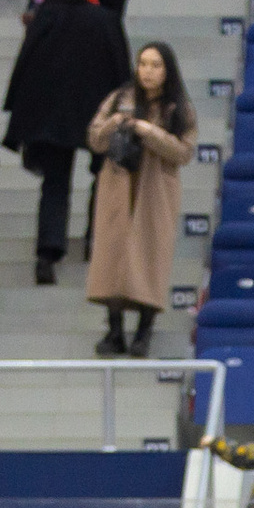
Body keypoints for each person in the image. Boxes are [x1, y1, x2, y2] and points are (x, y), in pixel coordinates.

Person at [1, 0, 129, 287]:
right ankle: (94, 240)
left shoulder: (47, 16)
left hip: (53, 115)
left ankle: (48, 253)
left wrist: (15, 107)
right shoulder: (107, 20)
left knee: (55, 183)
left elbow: (25, 62)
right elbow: (121, 70)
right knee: (102, 176)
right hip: (97, 114)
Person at [84, 40, 193, 360]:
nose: (147, 71)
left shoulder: (177, 107)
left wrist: (149, 131)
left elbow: (184, 152)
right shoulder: (119, 98)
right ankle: (114, 330)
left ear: (167, 70)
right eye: (143, 64)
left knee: (150, 254)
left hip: (155, 187)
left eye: (155, 65)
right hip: (117, 184)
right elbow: (94, 139)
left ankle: (144, 331)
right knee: (112, 253)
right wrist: (115, 123)